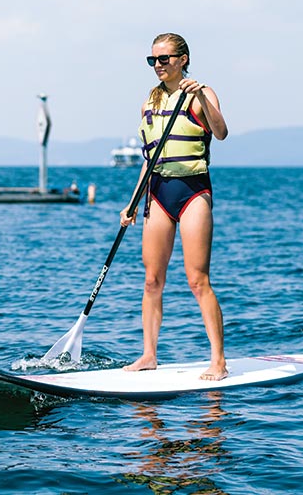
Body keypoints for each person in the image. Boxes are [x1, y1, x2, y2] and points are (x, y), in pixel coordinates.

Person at [120, 33, 229, 380]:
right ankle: (149, 354)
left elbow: (222, 132)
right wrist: (133, 201)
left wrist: (201, 99)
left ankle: (218, 361)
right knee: (152, 280)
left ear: (183, 58)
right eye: (153, 60)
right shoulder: (148, 103)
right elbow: (149, 160)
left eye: (165, 58)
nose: (158, 65)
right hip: (157, 194)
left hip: (193, 192)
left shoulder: (202, 93)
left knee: (198, 280)